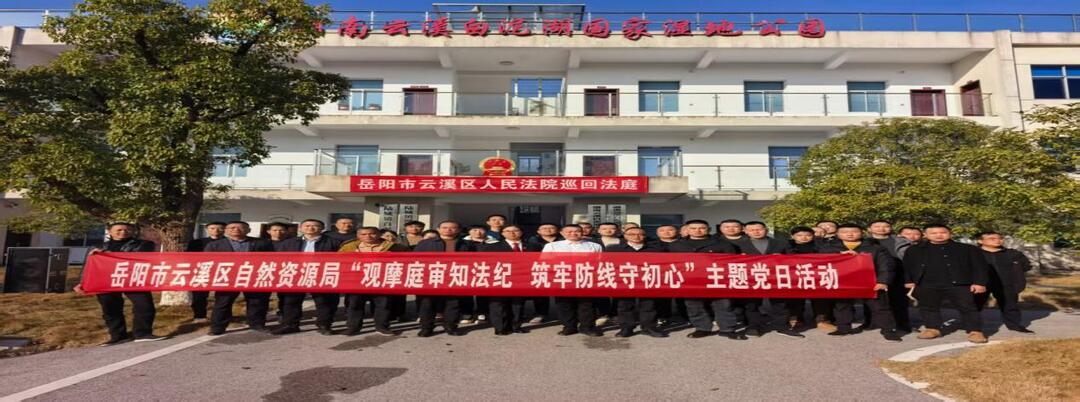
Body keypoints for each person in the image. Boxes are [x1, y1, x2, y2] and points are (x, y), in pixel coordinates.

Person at [74, 223, 162, 345]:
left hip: (133, 279)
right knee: (110, 308)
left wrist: (109, 254)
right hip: (105, 280)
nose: (123, 232)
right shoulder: (97, 247)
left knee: (144, 305)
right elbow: (88, 265)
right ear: (110, 232)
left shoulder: (144, 244)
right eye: (119, 230)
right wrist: (82, 282)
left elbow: (141, 256)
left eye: (127, 230)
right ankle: (118, 336)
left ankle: (142, 333)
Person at [904, 224, 990, 344]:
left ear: (950, 233)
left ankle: (975, 331)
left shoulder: (967, 249)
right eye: (933, 233)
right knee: (928, 307)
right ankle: (932, 329)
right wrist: (908, 281)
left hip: (960, 283)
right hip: (926, 283)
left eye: (943, 232)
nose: (939, 235)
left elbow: (979, 267)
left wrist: (979, 283)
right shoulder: (914, 250)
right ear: (925, 235)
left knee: (968, 307)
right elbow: (907, 266)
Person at [818, 224, 903, 342]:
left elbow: (886, 265)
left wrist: (883, 281)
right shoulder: (829, 248)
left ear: (862, 233)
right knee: (842, 306)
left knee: (880, 307)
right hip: (843, 282)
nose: (849, 234)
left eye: (854, 231)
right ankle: (843, 328)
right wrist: (838, 255)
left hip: (870, 281)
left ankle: (888, 330)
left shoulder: (875, 247)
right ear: (837, 234)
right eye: (845, 232)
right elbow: (819, 261)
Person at [667, 220, 745, 340]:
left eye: (702, 228)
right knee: (694, 305)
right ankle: (702, 328)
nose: (697, 231)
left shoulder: (722, 244)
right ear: (687, 230)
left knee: (723, 305)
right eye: (693, 228)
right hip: (690, 280)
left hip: (717, 278)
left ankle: (727, 329)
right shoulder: (676, 245)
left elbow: (732, 261)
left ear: (708, 229)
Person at [272, 219, 343, 335]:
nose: (310, 228)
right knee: (291, 301)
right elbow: (280, 258)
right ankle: (290, 325)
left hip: (321, 275)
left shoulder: (334, 242)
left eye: (315, 226)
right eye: (307, 226)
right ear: (301, 228)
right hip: (295, 274)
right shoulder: (289, 242)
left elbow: (342, 259)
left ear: (322, 228)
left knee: (324, 302)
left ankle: (324, 325)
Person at [204, 221, 276, 336]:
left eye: (240, 228)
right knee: (223, 303)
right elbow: (207, 261)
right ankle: (217, 327)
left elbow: (272, 259)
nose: (236, 230)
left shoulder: (262, 243)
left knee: (257, 302)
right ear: (226, 231)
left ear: (248, 230)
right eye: (232, 228)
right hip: (227, 278)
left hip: (254, 277)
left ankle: (257, 324)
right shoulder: (215, 245)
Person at [339, 226, 411, 336]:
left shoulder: (396, 247)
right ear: (358, 236)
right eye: (363, 234)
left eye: (372, 233)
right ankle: (353, 327)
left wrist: (392, 258)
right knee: (354, 305)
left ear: (379, 235)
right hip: (357, 281)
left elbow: (408, 261)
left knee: (383, 305)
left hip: (382, 281)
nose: (368, 236)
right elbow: (339, 261)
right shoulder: (348, 247)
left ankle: (382, 327)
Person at [736, 221, 802, 338]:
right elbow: (729, 261)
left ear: (766, 230)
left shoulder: (781, 243)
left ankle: (782, 326)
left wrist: (783, 258)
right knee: (752, 304)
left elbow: (793, 258)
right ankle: (754, 327)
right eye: (752, 230)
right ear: (745, 231)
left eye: (759, 229)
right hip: (751, 277)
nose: (756, 232)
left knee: (780, 304)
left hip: (776, 277)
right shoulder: (739, 245)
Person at [413, 220, 474, 337]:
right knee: (427, 304)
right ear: (438, 229)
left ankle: (451, 326)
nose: (448, 230)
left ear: (459, 230)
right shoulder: (425, 243)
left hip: (455, 276)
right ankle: (426, 327)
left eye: (452, 228)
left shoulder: (466, 244)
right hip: (431, 276)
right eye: (445, 227)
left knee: (453, 304)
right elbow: (415, 259)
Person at [542, 224, 604, 337]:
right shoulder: (552, 246)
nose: (573, 234)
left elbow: (599, 262)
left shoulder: (594, 246)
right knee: (564, 304)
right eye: (569, 232)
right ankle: (569, 326)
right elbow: (545, 262)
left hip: (586, 278)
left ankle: (587, 327)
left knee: (587, 304)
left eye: (577, 231)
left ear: (582, 232)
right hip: (562, 278)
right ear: (562, 233)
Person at [606, 227, 667, 338]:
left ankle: (649, 327)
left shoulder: (656, 249)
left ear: (645, 236)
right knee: (624, 305)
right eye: (632, 234)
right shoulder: (614, 249)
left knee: (649, 305)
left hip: (648, 280)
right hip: (624, 280)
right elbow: (607, 264)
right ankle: (626, 328)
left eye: (640, 234)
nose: (636, 236)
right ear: (625, 236)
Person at [974, 231, 1034, 333]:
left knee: (1010, 305)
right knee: (975, 305)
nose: (998, 240)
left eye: (1000, 238)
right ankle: (972, 326)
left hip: (1006, 284)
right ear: (980, 241)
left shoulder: (1013, 254)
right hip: (981, 284)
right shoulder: (973, 254)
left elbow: (1025, 266)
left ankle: (1014, 325)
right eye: (992, 239)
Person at [480, 225, 531, 335]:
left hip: (522, 280)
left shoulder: (533, 246)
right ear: (502, 233)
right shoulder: (492, 247)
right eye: (508, 231)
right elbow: (485, 263)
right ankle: (500, 328)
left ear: (521, 232)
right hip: (499, 279)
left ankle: (516, 326)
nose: (512, 233)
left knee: (518, 304)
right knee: (498, 304)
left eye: (515, 230)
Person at [788, 226, 835, 332]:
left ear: (813, 236)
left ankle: (821, 320)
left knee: (820, 297)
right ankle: (796, 318)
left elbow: (832, 255)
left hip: (817, 275)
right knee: (795, 298)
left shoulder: (821, 245)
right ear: (792, 236)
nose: (804, 238)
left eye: (808, 235)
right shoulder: (786, 245)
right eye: (799, 235)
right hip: (794, 275)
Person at [868, 220, 913, 332]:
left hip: (898, 272)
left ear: (891, 228)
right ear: (869, 229)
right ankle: (871, 323)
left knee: (899, 300)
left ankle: (902, 324)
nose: (881, 229)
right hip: (873, 273)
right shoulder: (865, 242)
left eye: (886, 226)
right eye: (877, 226)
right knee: (872, 299)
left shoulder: (901, 241)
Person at [186, 221, 225, 322]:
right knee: (199, 295)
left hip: (223, 271)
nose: (216, 230)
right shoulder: (196, 242)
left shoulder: (230, 242)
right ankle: (200, 316)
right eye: (212, 228)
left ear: (224, 230)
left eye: (220, 228)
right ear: (207, 229)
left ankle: (221, 316)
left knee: (224, 296)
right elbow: (189, 257)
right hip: (202, 270)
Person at [523, 223, 560, 323]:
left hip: (561, 269)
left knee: (563, 292)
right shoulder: (531, 242)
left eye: (551, 228)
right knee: (540, 293)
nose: (548, 230)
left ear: (557, 230)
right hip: (540, 269)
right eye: (544, 228)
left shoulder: (564, 241)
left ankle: (564, 313)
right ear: (538, 231)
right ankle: (540, 313)